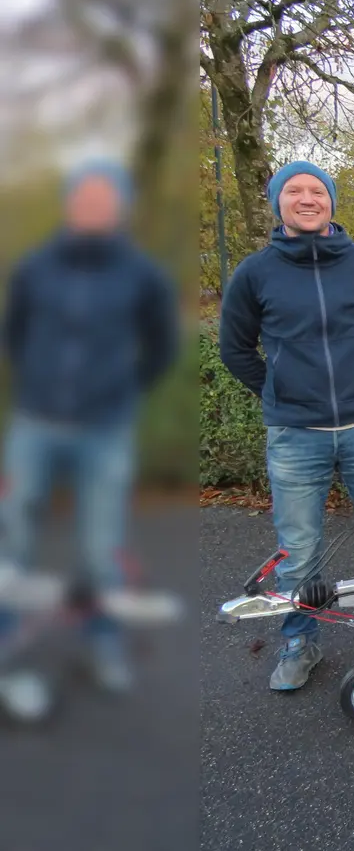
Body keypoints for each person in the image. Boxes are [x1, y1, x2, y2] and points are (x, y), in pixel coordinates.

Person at [219, 160, 354, 691]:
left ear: (331, 202)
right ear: (278, 203)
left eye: (317, 190)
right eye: (294, 191)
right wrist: (278, 390)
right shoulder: (255, 273)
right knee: (300, 549)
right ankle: (298, 642)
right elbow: (236, 348)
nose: (307, 198)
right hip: (294, 435)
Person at [0, 159, 177, 697]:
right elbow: (15, 333)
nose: (94, 204)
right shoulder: (36, 266)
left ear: (118, 205)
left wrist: (122, 390)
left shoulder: (140, 274)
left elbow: (161, 345)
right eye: (85, 195)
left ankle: (103, 642)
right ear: (70, 201)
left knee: (100, 543)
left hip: (105, 429)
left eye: (105, 196)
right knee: (16, 533)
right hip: (36, 423)